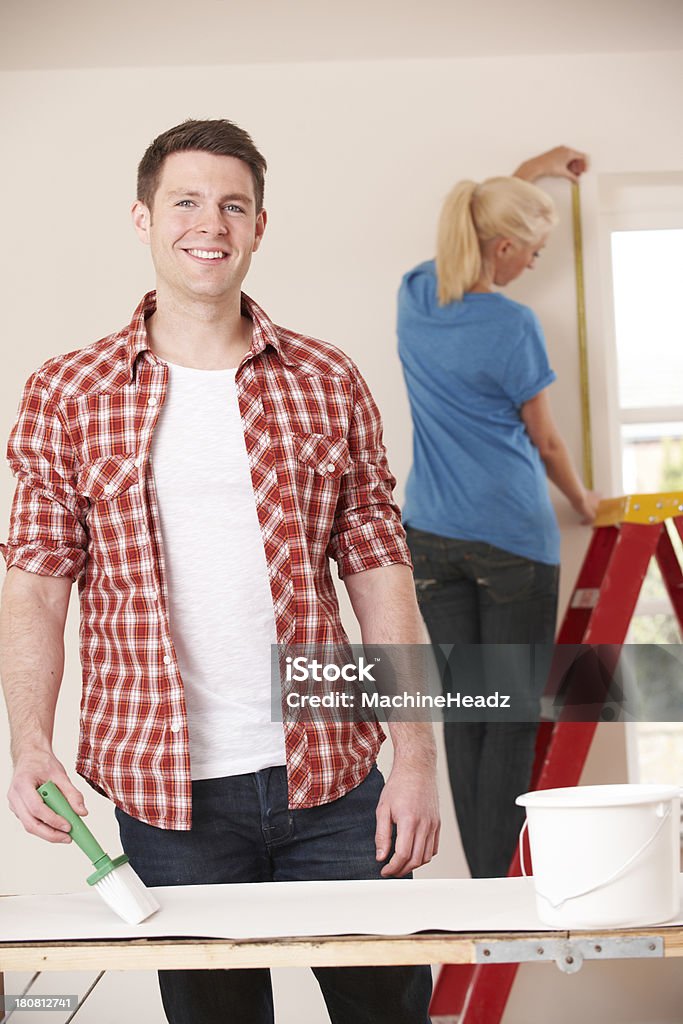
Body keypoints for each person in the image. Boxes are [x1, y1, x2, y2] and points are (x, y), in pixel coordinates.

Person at [0, 118, 439, 1024]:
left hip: (333, 776)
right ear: (143, 217)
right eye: (187, 201)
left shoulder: (325, 377)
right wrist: (29, 741)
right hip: (166, 796)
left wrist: (416, 758)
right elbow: (35, 583)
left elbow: (380, 576)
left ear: (259, 226)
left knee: (388, 1013)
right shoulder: (67, 391)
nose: (211, 223)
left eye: (233, 205)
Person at [397, 147, 599, 880]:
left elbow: (477, 221)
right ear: (504, 246)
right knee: (510, 717)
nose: (533, 264)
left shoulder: (415, 293)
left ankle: (479, 885)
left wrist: (532, 169)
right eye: (532, 251)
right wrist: (583, 501)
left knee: (467, 709)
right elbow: (544, 439)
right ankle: (496, 885)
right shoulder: (510, 325)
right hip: (512, 539)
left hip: (430, 537)